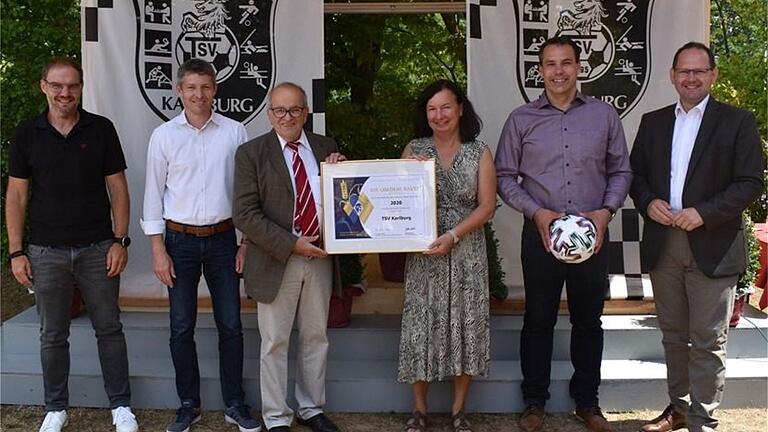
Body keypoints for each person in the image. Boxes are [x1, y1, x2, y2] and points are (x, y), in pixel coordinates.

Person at [495, 36, 632, 432]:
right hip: (540, 237)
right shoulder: (521, 119)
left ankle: (587, 402)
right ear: (540, 70)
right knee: (538, 319)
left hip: (593, 236)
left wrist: (605, 213)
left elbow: (621, 170)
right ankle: (534, 402)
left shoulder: (604, 116)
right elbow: (505, 177)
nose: (558, 71)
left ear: (579, 67)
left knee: (589, 321)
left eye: (566, 63)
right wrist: (537, 213)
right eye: (550, 64)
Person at [630, 42, 764, 432]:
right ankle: (678, 408)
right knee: (673, 336)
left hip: (713, 244)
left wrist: (703, 213)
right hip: (664, 242)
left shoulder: (737, 122)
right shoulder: (653, 122)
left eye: (699, 71)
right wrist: (648, 201)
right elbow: (635, 176)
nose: (691, 78)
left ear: (713, 75)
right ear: (672, 76)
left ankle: (702, 420)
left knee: (707, 340)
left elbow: (750, 182)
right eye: (683, 71)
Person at [5, 57, 139, 432]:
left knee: (109, 327)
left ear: (81, 88)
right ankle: (55, 408)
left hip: (98, 247)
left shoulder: (101, 129)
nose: (66, 93)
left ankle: (121, 406)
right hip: (46, 251)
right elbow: (16, 197)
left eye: (73, 86)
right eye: (58, 85)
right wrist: (17, 251)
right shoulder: (27, 134)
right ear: (43, 86)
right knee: (52, 333)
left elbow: (118, 189)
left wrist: (120, 240)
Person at [141, 58, 261, 432]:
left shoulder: (235, 132)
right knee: (181, 327)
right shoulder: (163, 136)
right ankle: (188, 404)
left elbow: (247, 194)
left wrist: (246, 244)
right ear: (179, 90)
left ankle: (235, 404)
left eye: (205, 87)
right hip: (179, 242)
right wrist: (158, 250)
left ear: (215, 90)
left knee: (231, 325)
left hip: (225, 240)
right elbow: (152, 197)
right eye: (191, 87)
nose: (198, 94)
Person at [232, 82, 345, 432]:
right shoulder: (251, 153)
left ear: (306, 112)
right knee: (275, 341)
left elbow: (347, 200)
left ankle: (311, 408)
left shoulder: (327, 147)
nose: (287, 116)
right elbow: (245, 214)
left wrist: (342, 172)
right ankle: (276, 416)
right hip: (276, 257)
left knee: (315, 337)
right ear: (269, 114)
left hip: (321, 257)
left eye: (295, 109)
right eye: (279, 110)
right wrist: (293, 244)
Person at [397, 80, 497, 432]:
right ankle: (420, 410)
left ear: (460, 109)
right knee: (420, 326)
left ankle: (458, 410)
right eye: (431, 109)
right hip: (425, 249)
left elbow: (487, 207)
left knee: (466, 323)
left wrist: (454, 234)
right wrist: (410, 168)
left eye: (445, 107)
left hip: (466, 248)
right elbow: (396, 198)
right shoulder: (414, 148)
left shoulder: (479, 150)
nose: (439, 115)